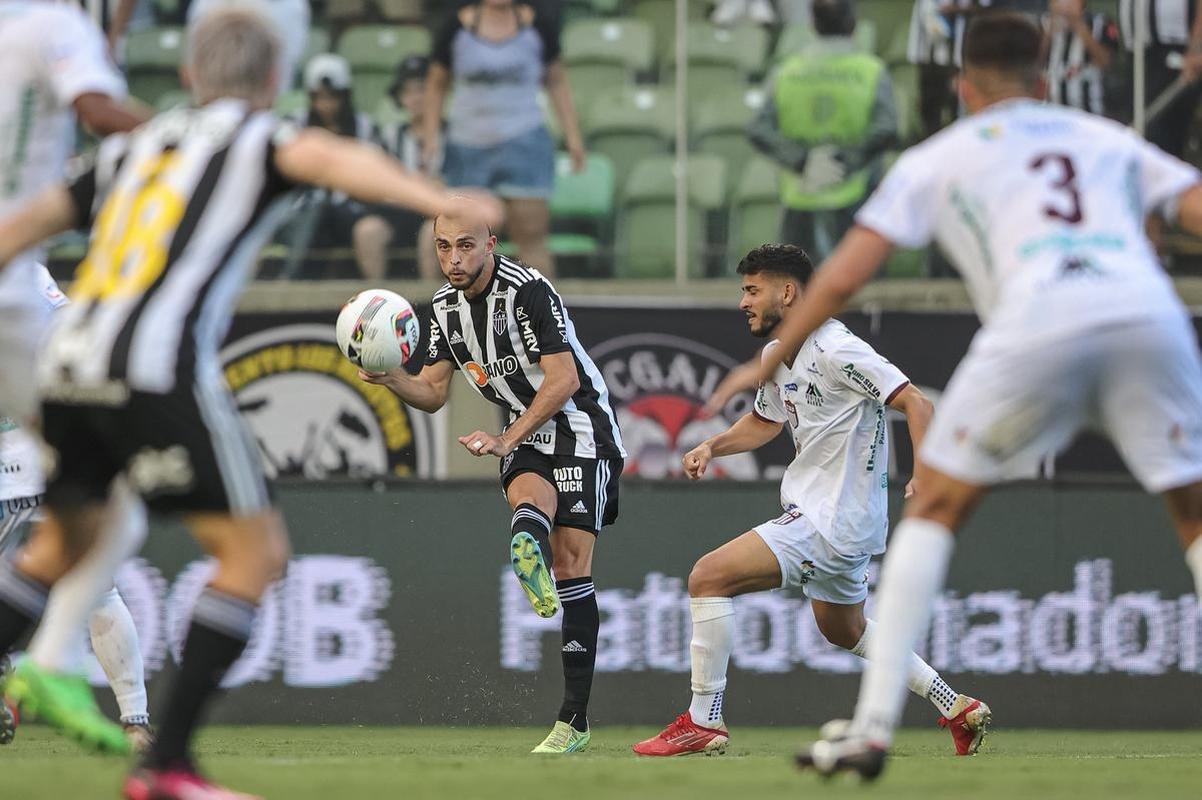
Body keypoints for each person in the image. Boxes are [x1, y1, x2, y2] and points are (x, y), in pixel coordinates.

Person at [0, 8, 495, 798]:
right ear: (273, 83)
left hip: (68, 364)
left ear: (189, 76)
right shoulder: (256, 138)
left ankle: (120, 730)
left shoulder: (134, 144)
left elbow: (27, 224)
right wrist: (438, 194)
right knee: (253, 556)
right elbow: (329, 155)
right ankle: (167, 767)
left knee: (62, 547)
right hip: (150, 368)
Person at [755, 13, 1202, 779]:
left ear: (961, 86)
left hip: (1040, 320)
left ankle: (869, 733)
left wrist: (779, 345)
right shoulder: (1101, 135)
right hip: (1146, 315)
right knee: (1194, 515)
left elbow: (847, 270)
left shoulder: (943, 154)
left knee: (934, 509)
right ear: (1047, 78)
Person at [632, 244, 988, 758]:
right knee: (844, 630)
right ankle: (955, 706)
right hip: (843, 523)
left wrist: (926, 472)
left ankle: (704, 720)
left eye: (753, 290)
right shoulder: (776, 356)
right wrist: (713, 445)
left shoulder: (837, 348)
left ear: (789, 292)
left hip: (829, 517)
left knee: (708, 577)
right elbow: (764, 421)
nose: (743, 302)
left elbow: (915, 400)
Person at [360, 201, 625, 754]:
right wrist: (390, 378)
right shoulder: (440, 309)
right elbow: (432, 392)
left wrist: (507, 437)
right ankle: (529, 535)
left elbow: (563, 379)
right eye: (442, 246)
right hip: (522, 431)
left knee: (573, 564)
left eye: (465, 246)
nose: (453, 259)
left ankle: (573, 720)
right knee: (531, 518)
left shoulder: (528, 292)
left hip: (581, 426)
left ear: (490, 244)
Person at [0, 0, 153, 756]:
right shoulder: (54, 27)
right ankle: (49, 671)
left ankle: (73, 689)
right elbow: (96, 107)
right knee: (114, 513)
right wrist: (181, 144)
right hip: (10, 293)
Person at [1, 267, 153, 754]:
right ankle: (136, 723)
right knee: (97, 585)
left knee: (95, 582)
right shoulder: (25, 264)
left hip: (27, 451)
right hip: (39, 452)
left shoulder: (23, 264)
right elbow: (71, 329)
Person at [425, 0, 586, 275]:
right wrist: (431, 139)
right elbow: (437, 83)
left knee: (532, 235)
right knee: (460, 240)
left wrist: (573, 136)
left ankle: (542, 314)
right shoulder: (455, 26)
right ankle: (459, 315)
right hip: (467, 147)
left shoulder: (539, 25)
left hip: (524, 143)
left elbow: (557, 80)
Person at [748, 0, 898, 262]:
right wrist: (845, 162)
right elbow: (886, 130)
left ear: (812, 25)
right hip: (856, 195)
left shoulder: (787, 72)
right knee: (852, 287)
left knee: (796, 289)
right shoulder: (871, 71)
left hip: (799, 194)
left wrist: (803, 161)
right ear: (853, 25)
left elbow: (759, 129)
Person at [286, 53, 397, 280]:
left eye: (332, 97)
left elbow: (377, 178)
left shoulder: (365, 127)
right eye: (318, 97)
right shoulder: (293, 125)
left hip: (351, 213)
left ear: (345, 97)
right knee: (315, 216)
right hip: (301, 214)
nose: (325, 105)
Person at [371, 55, 445, 280]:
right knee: (368, 231)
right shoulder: (389, 135)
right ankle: (376, 302)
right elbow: (379, 183)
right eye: (408, 92)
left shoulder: (453, 134)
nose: (415, 98)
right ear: (399, 98)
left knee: (430, 234)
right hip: (399, 211)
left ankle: (435, 303)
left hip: (441, 211)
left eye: (422, 89)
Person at [1119, 0, 1202, 157]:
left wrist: (1197, 47)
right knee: (1138, 133)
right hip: (1137, 54)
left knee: (1159, 138)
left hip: (1173, 52)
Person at [1043, 0, 1120, 117]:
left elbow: (1106, 63)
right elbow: (1029, 64)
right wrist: (1048, 35)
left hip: (1090, 111)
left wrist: (1078, 26)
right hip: (1050, 111)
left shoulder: (1101, 23)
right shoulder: (1042, 23)